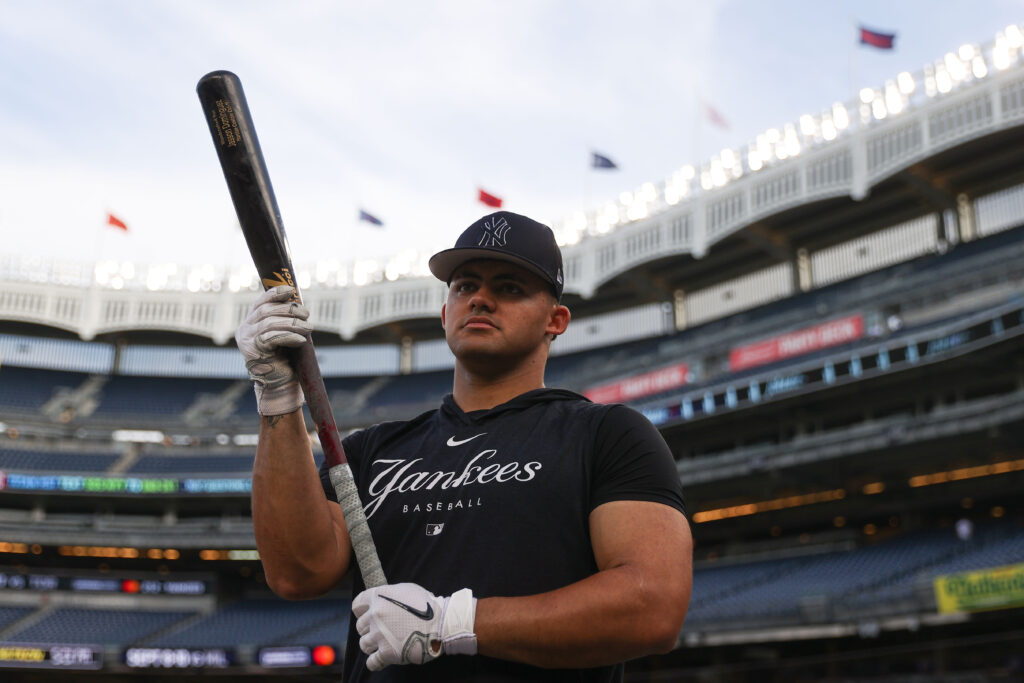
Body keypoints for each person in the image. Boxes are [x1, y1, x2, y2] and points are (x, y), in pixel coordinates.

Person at [237, 211, 693, 682]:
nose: (480, 299)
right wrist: (276, 396)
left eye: (510, 288)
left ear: (555, 320)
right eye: (464, 286)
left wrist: (451, 624)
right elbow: (297, 574)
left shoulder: (609, 434)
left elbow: (653, 606)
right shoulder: (371, 450)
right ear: (445, 313)